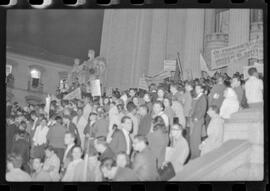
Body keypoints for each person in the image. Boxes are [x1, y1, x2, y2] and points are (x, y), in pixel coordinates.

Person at [189, 83, 207, 159]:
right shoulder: (198, 97)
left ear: (202, 89)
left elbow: (203, 110)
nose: (195, 90)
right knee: (193, 137)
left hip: (198, 120)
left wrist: (197, 118)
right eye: (195, 88)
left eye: (197, 88)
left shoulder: (202, 97)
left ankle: (196, 154)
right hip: (195, 119)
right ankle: (194, 152)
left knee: (196, 138)